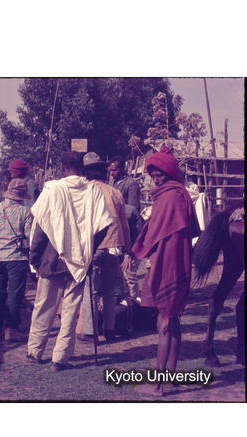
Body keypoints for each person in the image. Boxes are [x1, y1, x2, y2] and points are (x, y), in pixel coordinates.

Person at [26, 151, 113, 372]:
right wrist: (88, 248)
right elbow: (103, 226)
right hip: (80, 259)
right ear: (82, 168)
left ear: (63, 167)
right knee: (70, 310)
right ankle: (60, 359)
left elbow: (40, 227)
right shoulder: (93, 191)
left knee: (44, 306)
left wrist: (34, 256)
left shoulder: (52, 189)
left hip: (51, 257)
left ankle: (34, 352)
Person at [131, 146, 200, 396]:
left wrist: (136, 251)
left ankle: (158, 385)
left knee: (164, 320)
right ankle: (170, 377)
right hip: (178, 261)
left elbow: (154, 232)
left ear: (169, 172)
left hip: (167, 263)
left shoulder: (170, 196)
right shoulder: (180, 194)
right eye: (153, 175)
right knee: (173, 319)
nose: (155, 179)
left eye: (159, 174)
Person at [77, 152, 131, 343]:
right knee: (109, 291)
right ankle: (109, 329)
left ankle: (90, 332)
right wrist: (126, 249)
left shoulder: (83, 192)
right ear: (104, 172)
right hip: (114, 245)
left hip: (93, 247)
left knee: (90, 291)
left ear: (85, 173)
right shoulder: (114, 192)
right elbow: (124, 224)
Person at [0, 179, 33, 342]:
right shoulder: (25, 212)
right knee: (14, 295)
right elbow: (29, 236)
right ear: (22, 196)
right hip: (16, 258)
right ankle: (11, 329)